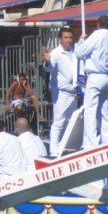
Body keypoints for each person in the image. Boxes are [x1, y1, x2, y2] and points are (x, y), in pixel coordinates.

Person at [74, 14, 108, 149]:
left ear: (98, 24)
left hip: (95, 76)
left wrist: (81, 41)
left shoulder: (95, 36)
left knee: (90, 109)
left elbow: (79, 53)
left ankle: (91, 143)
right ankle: (107, 139)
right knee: (104, 109)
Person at [43, 27, 78, 157]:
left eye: (70, 37)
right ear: (60, 39)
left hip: (73, 92)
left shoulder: (74, 52)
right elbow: (49, 67)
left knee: (70, 121)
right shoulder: (56, 53)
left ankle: (65, 146)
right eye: (66, 37)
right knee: (59, 121)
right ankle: (53, 150)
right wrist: (47, 60)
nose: (69, 40)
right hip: (61, 93)